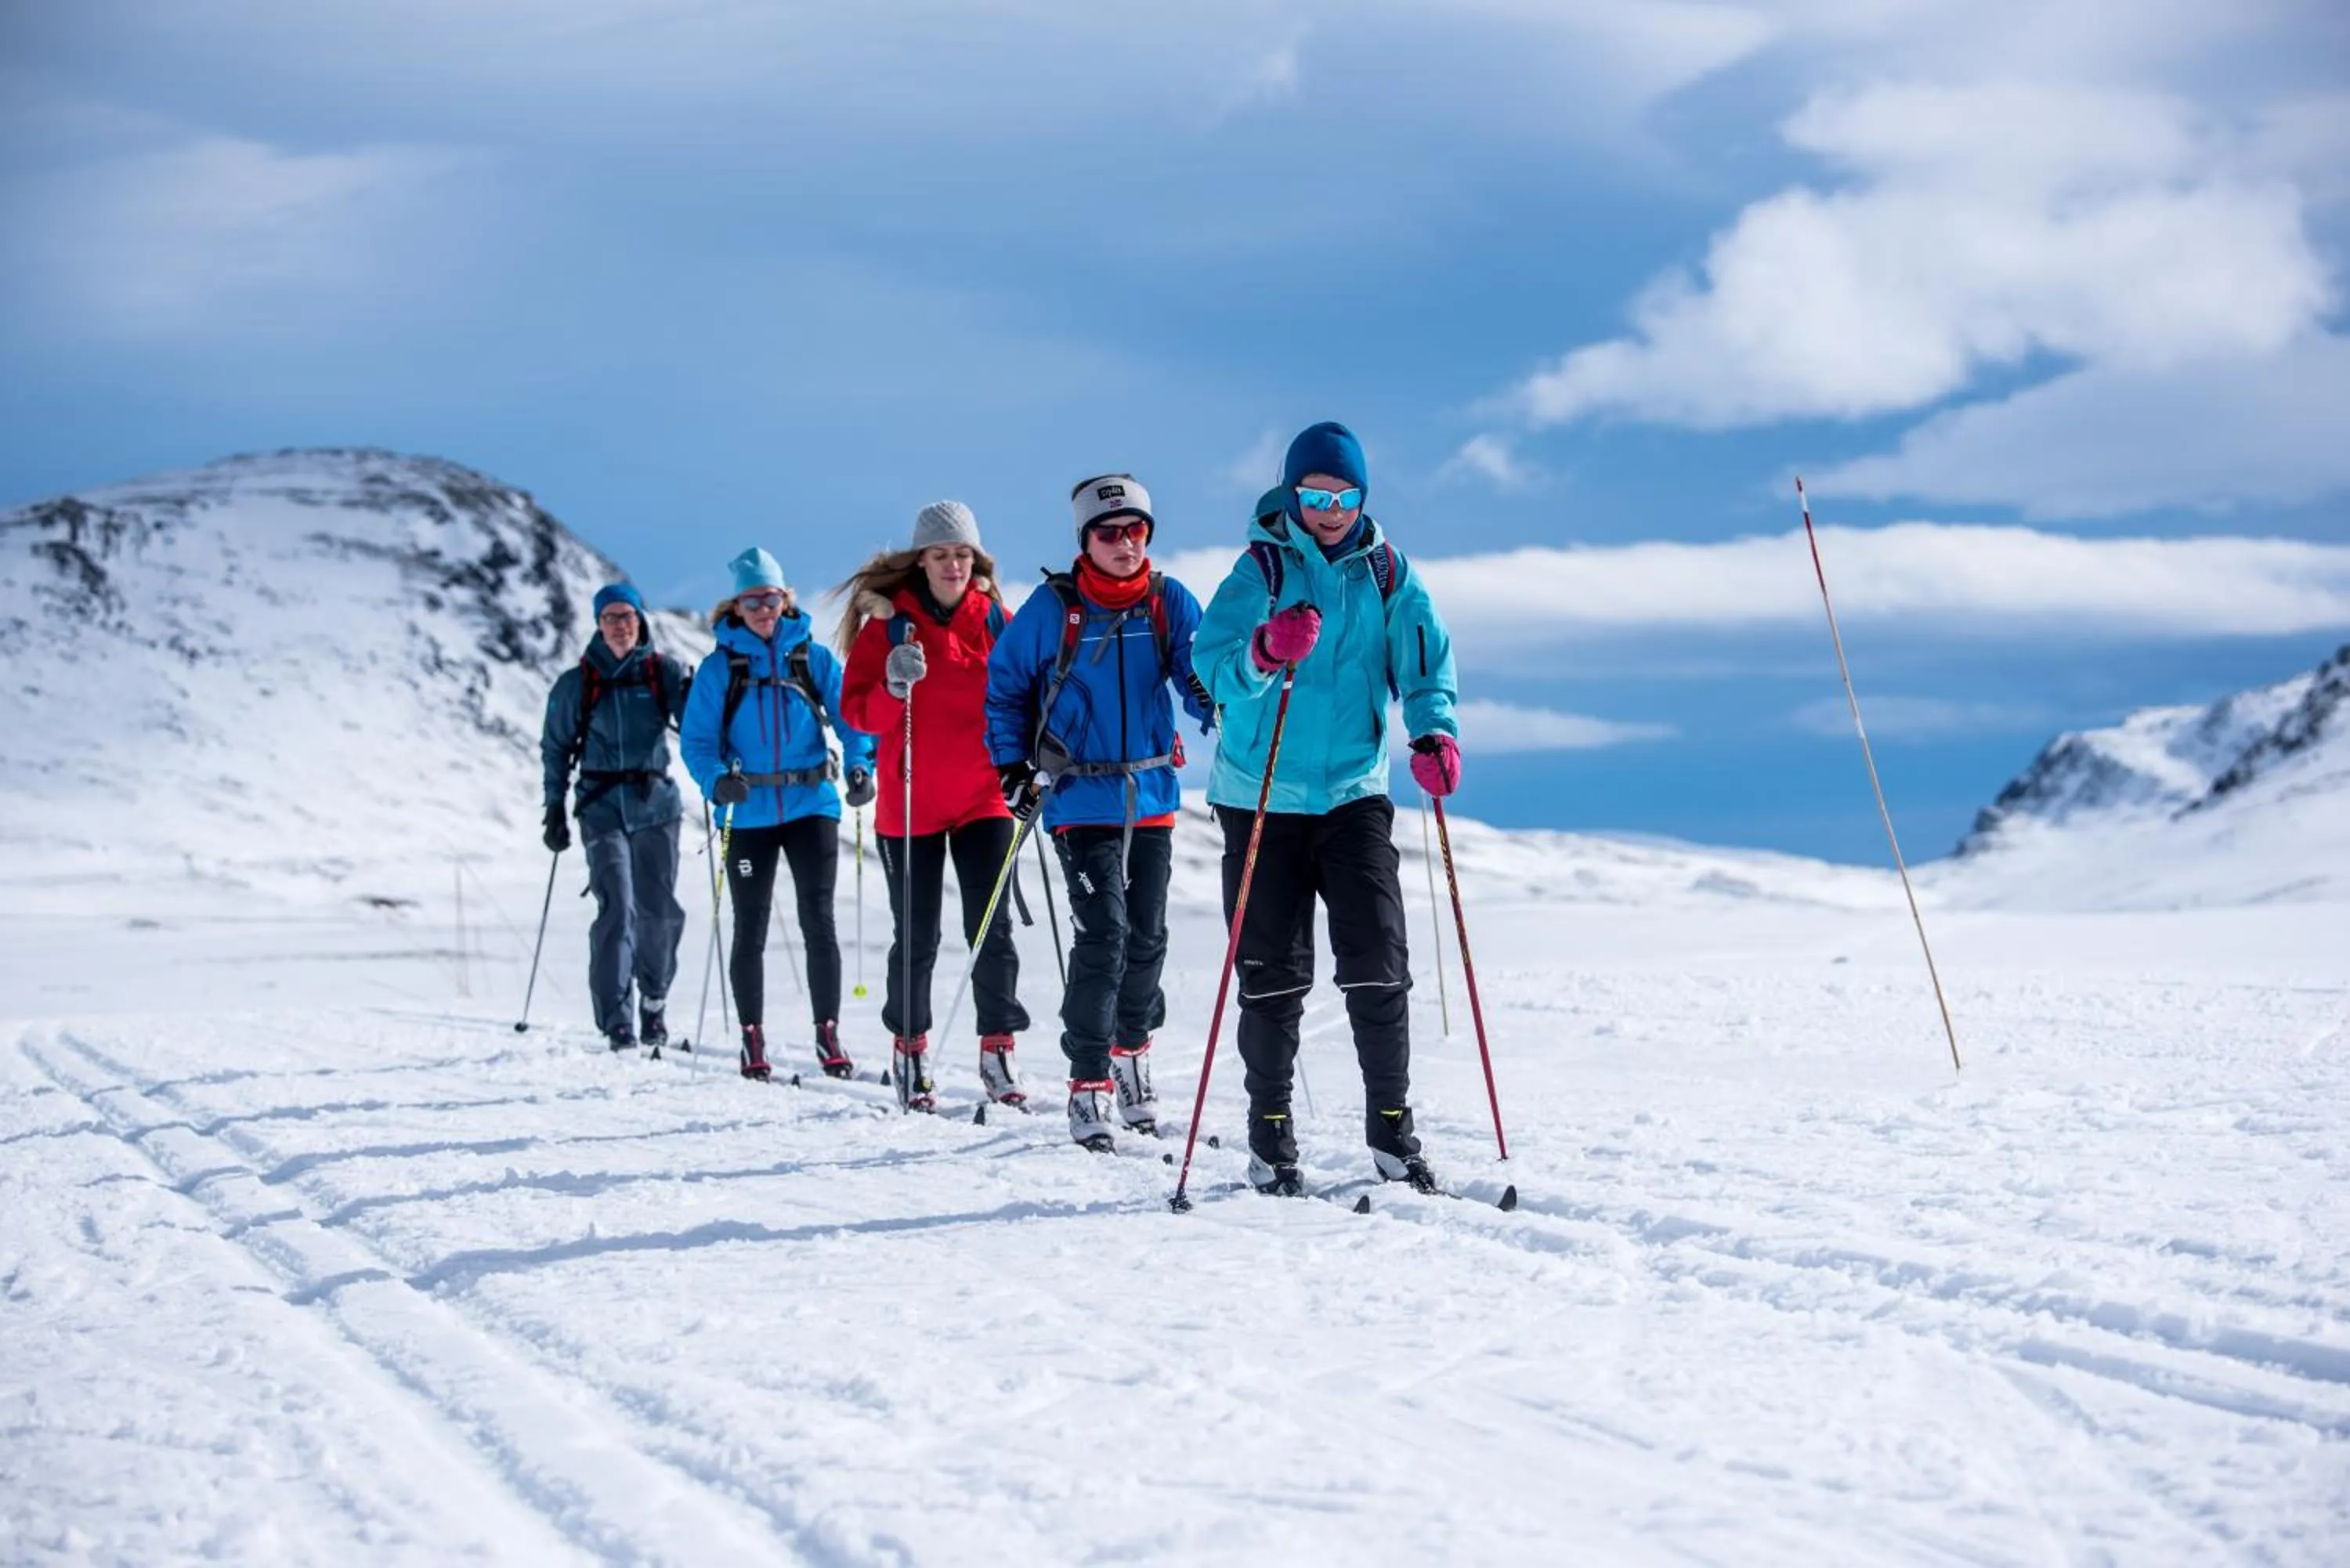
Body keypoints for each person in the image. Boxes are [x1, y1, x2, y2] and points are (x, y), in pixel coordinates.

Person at [1191, 422, 1461, 1195]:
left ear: (1363, 498)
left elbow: (1424, 664)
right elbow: (1213, 668)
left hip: (1353, 792)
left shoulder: (1387, 573)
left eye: (1345, 497)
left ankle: (1392, 1129)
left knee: (1379, 958)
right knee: (1272, 973)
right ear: (1293, 494)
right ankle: (1270, 1135)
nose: (1331, 511)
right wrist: (1263, 652)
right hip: (1261, 794)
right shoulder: (1261, 569)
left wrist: (1433, 732)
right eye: (1316, 495)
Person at [985, 474, 1213, 1151]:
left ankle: (1131, 1057)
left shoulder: (1168, 601)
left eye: (1136, 530)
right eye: (1109, 532)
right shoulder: (1054, 608)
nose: (1124, 543)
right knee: (1104, 934)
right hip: (1079, 799)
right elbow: (1005, 688)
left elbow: (1199, 678)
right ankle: (1088, 1082)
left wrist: (1228, 700)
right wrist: (1011, 768)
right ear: (1085, 540)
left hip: (1152, 796)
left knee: (1147, 938)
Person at [838, 503, 1032, 1112]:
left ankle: (998, 1050)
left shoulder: (998, 621)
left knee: (991, 928)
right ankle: (911, 1049)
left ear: (976, 560)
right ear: (921, 561)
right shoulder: (890, 627)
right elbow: (857, 713)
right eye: (941, 554)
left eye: (962, 554)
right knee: (918, 936)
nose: (953, 564)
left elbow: (1024, 695)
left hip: (982, 798)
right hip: (910, 802)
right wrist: (892, 687)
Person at [680, 547, 877, 1082]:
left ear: (785, 598)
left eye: (770, 598)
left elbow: (853, 720)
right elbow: (698, 741)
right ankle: (752, 1037)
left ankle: (828, 1033)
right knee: (751, 926)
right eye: (752, 601)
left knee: (819, 919)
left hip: (812, 805)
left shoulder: (811, 658)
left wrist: (860, 766)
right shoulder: (721, 669)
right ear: (737, 607)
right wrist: (715, 780)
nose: (763, 610)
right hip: (748, 814)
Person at [538, 583, 692, 1052]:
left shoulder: (663, 673)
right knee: (617, 908)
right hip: (601, 807)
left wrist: (695, 696)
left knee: (659, 910)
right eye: (611, 618)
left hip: (657, 807)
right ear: (598, 624)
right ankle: (617, 1019)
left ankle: (654, 1001)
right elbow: (555, 748)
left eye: (627, 616)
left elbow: (696, 728)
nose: (620, 625)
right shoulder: (576, 684)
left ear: (640, 621)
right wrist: (554, 808)